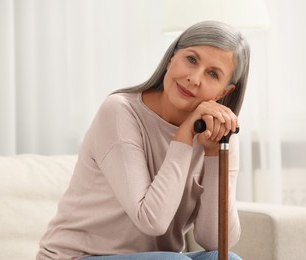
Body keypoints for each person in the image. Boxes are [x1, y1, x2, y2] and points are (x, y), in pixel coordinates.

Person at [37, 20, 250, 260]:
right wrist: (184, 136)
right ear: (171, 58)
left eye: (213, 74)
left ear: (224, 92)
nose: (194, 78)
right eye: (191, 59)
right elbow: (152, 221)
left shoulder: (220, 133)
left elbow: (215, 242)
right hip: (77, 256)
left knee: (227, 259)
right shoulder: (120, 111)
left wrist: (213, 156)